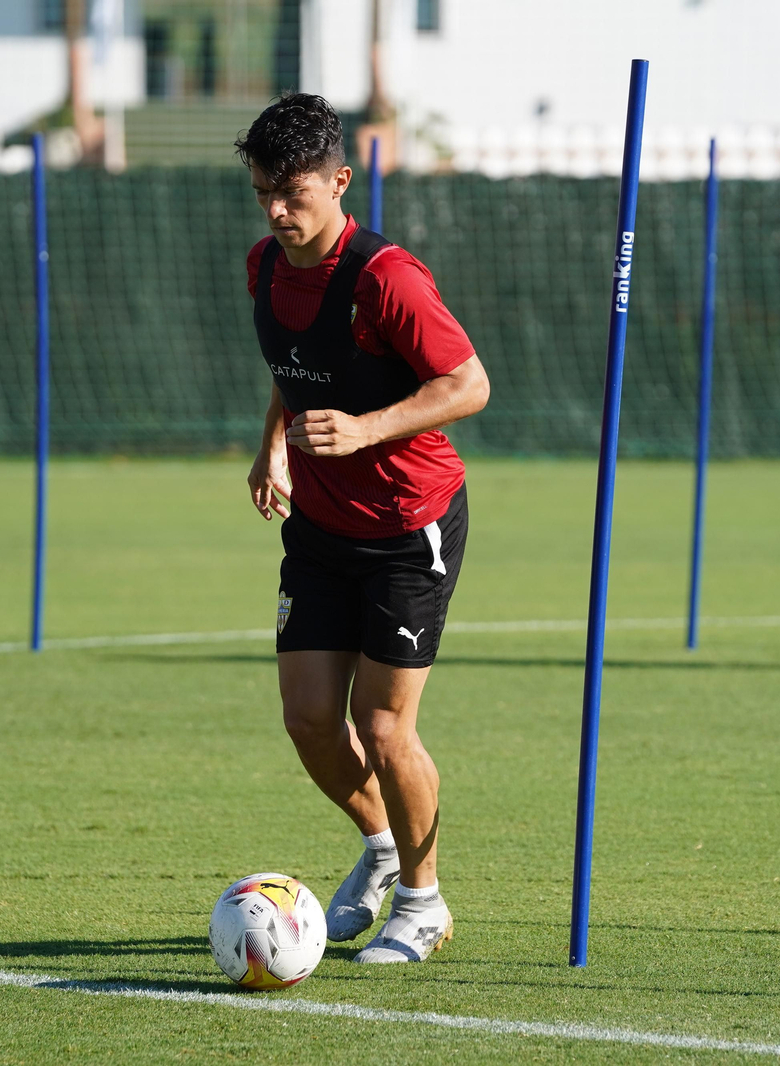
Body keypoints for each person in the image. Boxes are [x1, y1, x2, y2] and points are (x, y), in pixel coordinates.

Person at [235, 95, 491, 963]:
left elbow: (468, 384)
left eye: (294, 191)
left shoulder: (388, 277)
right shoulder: (263, 266)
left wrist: (366, 427)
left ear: (341, 181)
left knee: (384, 730)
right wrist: (273, 446)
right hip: (318, 523)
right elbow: (292, 371)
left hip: (406, 524)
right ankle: (382, 851)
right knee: (310, 719)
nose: (277, 209)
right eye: (264, 189)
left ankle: (424, 903)